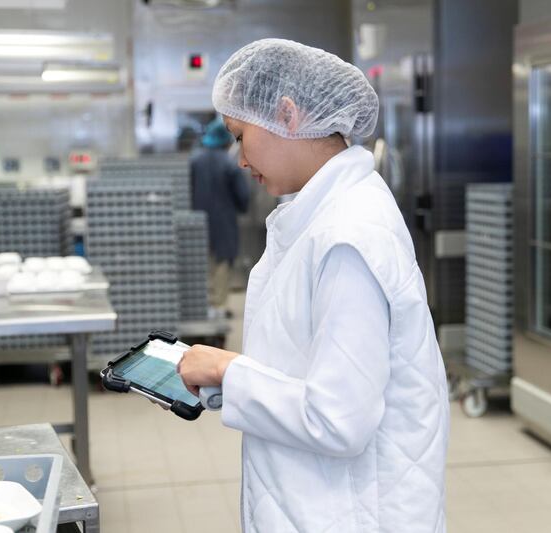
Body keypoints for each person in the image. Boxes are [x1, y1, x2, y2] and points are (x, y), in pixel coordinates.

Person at [177, 39, 449, 532]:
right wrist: (220, 385)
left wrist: (228, 368)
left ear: (287, 114)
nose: (240, 158)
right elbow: (306, 369)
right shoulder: (319, 217)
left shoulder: (348, 235)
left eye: (241, 136)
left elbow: (337, 419)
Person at [190, 118, 250, 315]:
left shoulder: (196, 160)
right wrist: (242, 208)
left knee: (204, 261)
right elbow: (242, 196)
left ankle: (205, 305)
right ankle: (219, 306)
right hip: (224, 221)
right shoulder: (229, 164)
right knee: (223, 262)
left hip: (198, 220)